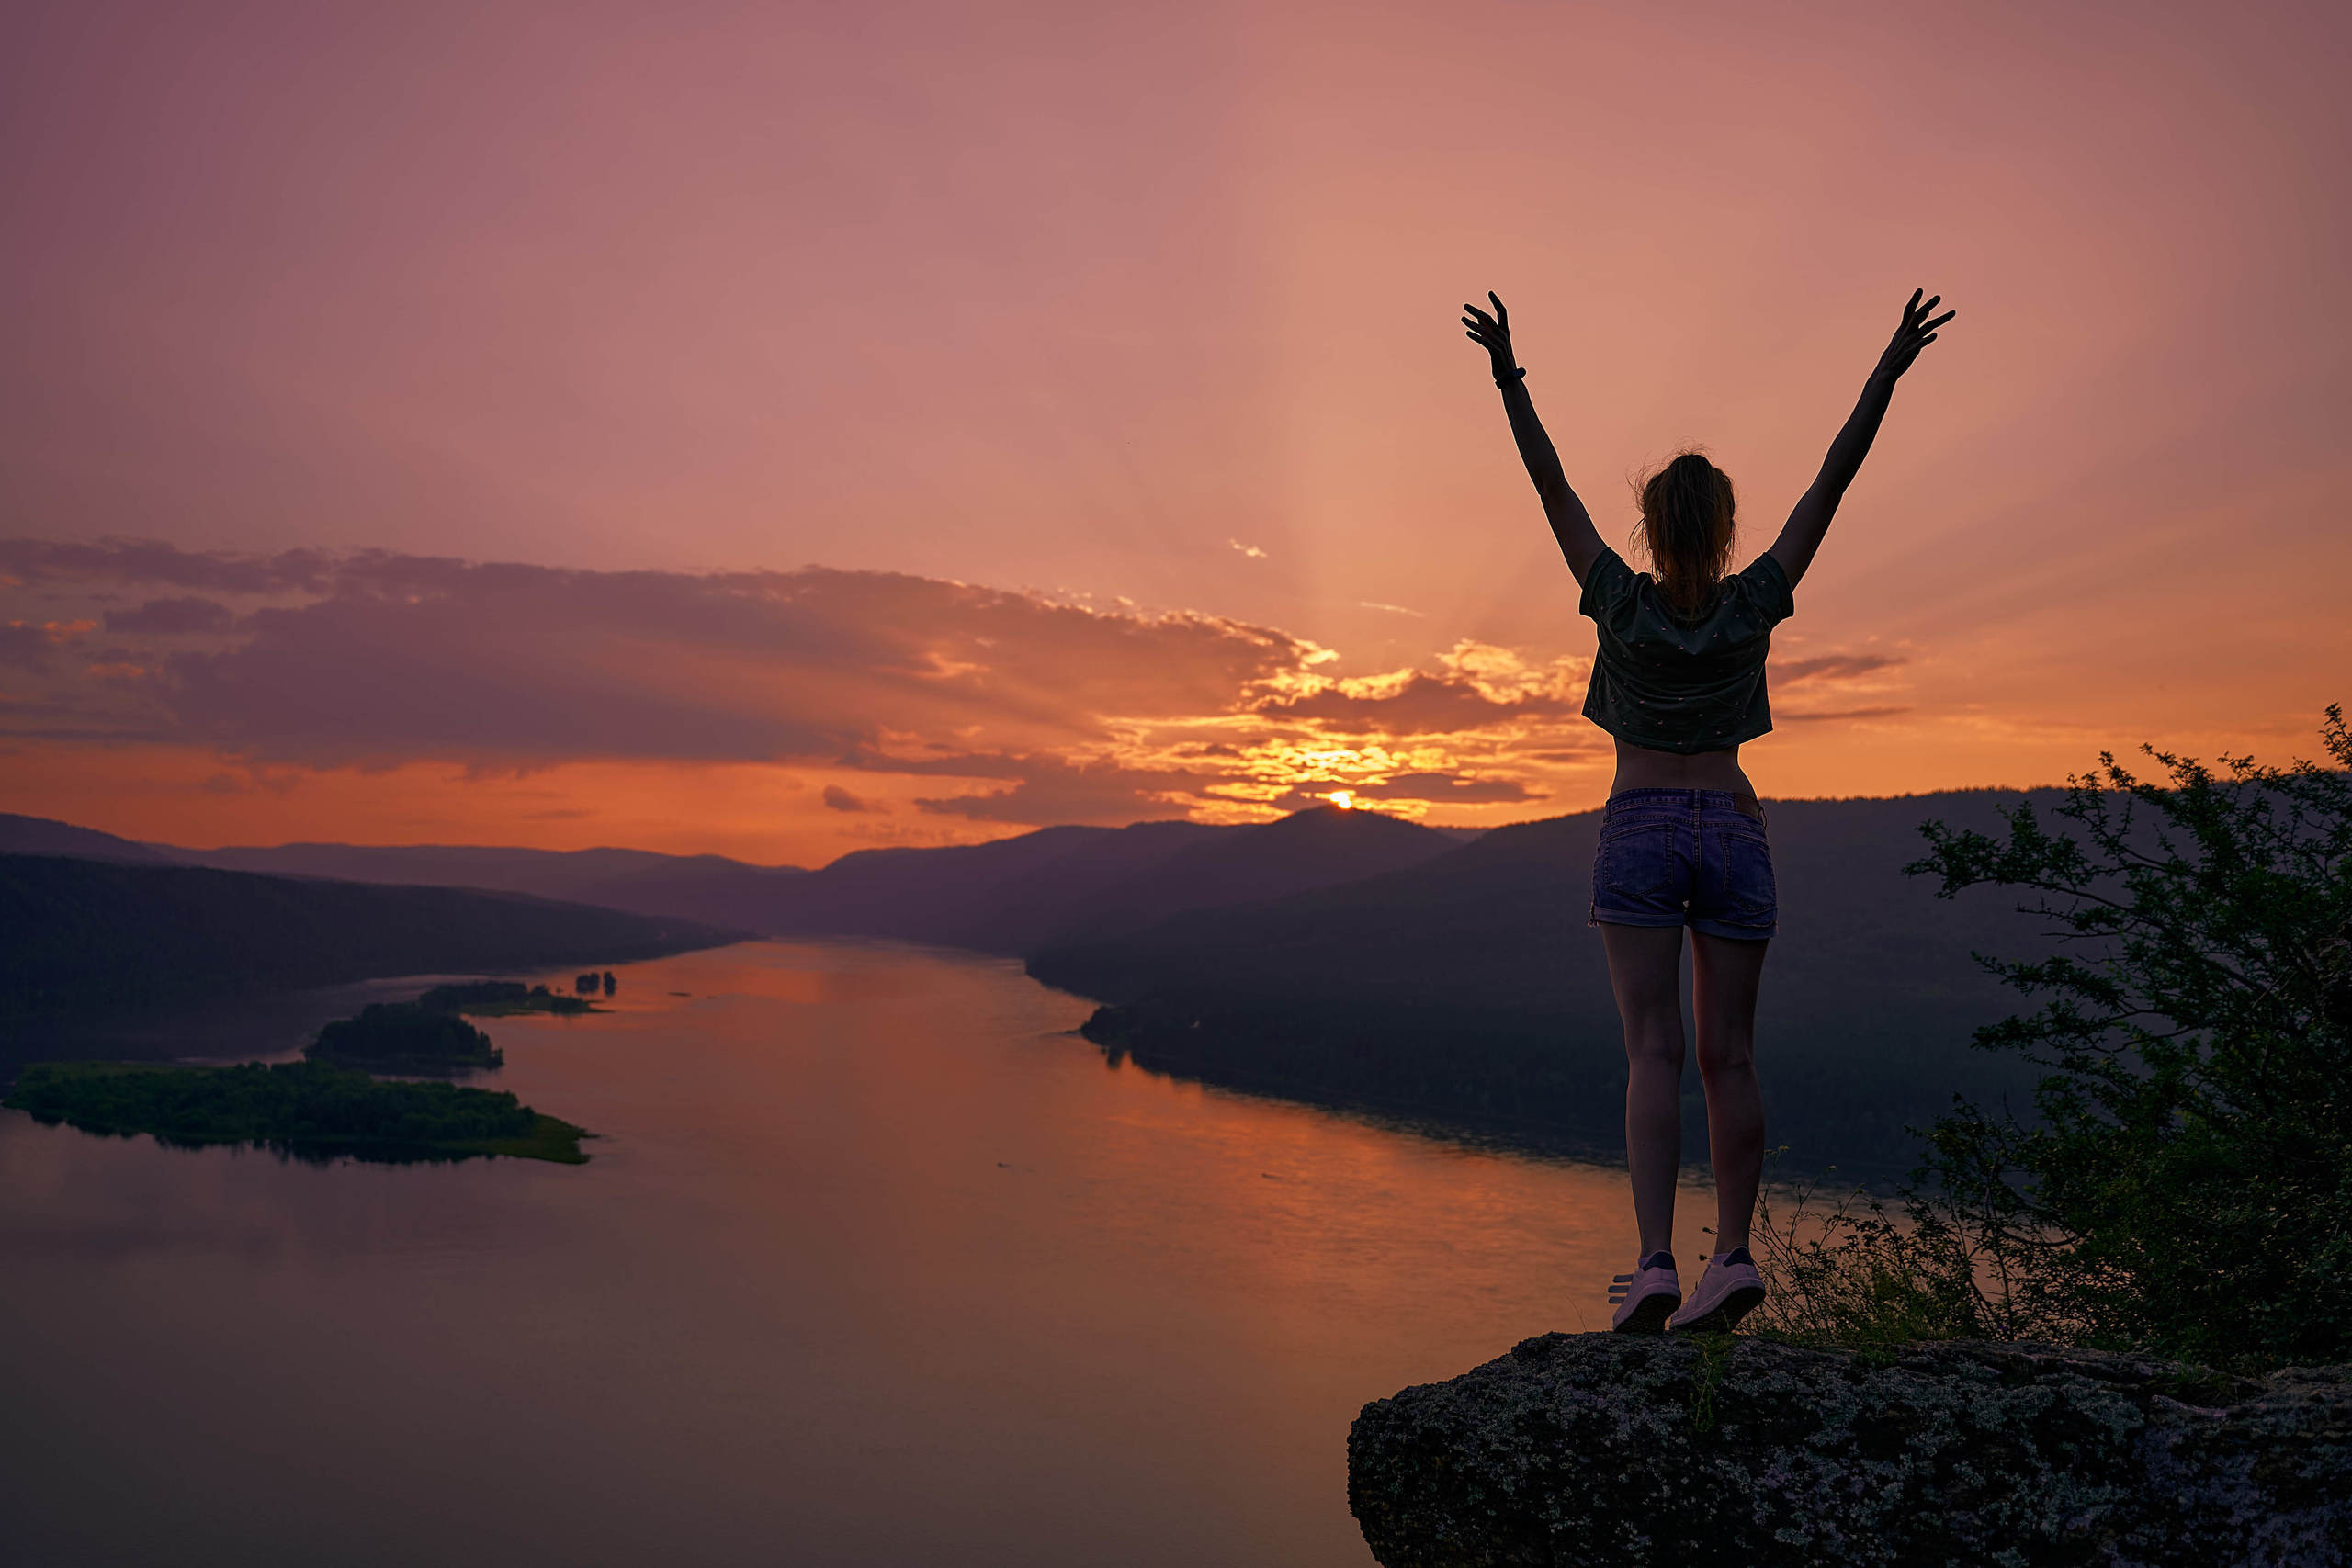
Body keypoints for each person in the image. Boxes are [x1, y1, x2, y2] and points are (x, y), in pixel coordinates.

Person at [1462, 288, 1954, 1333]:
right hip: (1733, 830)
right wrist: (1886, 374)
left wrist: (1509, 377)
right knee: (1729, 1055)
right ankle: (1729, 1256)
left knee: (1652, 1053)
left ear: (1647, 525)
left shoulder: (1615, 598)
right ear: (1728, 530)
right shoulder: (1754, 601)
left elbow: (1546, 483)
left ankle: (1652, 1265)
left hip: (1638, 828)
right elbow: (1834, 476)